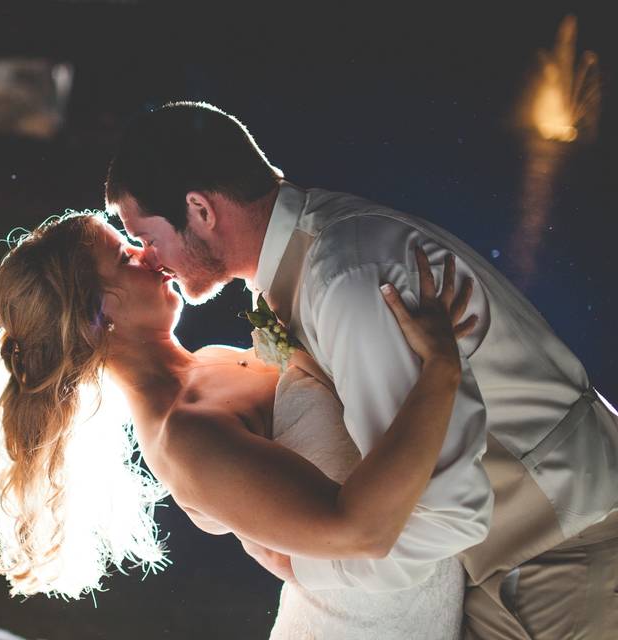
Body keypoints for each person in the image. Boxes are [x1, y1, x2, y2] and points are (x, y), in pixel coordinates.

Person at [104, 101, 618, 639]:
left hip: (562, 552)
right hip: (508, 564)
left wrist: (305, 563)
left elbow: (442, 507)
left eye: (147, 236)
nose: (149, 256)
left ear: (201, 210)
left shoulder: (347, 281)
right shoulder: (308, 260)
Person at [0, 210, 477, 638]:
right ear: (97, 317)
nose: (147, 253)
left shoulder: (208, 362)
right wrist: (440, 371)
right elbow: (360, 532)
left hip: (423, 599)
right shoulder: (187, 433)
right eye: (125, 256)